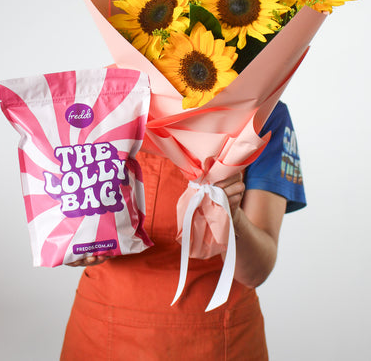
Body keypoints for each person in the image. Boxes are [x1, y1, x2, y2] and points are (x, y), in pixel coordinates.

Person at [60, 101, 305, 360]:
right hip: (103, 333)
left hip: (217, 339)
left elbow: (256, 271)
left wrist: (231, 214)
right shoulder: (106, 101)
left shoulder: (263, 113)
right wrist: (76, 244)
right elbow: (74, 224)